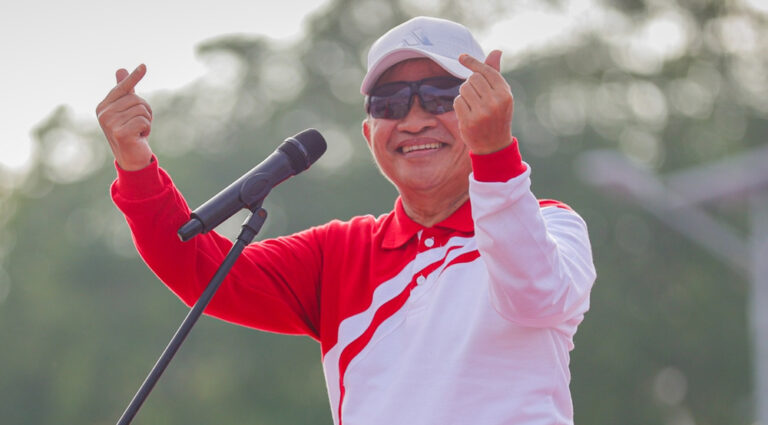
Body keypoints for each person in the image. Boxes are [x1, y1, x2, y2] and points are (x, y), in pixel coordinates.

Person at [97, 16, 596, 425]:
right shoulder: (339, 253)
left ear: (485, 111)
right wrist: (135, 163)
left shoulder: (551, 226)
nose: (415, 119)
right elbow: (197, 265)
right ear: (368, 133)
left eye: (442, 97)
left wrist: (495, 156)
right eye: (391, 104)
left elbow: (535, 293)